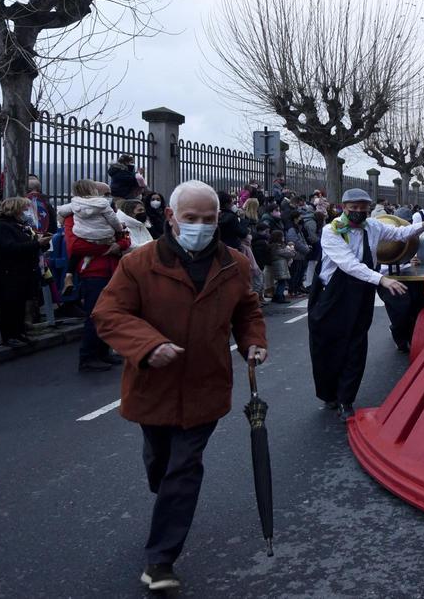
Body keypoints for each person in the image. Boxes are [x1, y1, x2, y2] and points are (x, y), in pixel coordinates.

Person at [92, 180, 267, 591]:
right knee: (160, 464)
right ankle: (165, 493)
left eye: (209, 219)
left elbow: (247, 310)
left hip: (206, 384)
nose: (202, 226)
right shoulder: (138, 264)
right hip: (154, 385)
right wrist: (149, 346)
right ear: (171, 218)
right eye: (192, 219)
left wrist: (254, 342)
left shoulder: (234, 265)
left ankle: (161, 561)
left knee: (184, 469)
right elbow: (109, 314)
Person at [308, 188, 424, 420]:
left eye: (362, 208)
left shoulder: (373, 226)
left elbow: (400, 234)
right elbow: (349, 264)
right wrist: (382, 279)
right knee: (327, 344)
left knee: (355, 345)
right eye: (353, 208)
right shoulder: (331, 231)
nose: (358, 212)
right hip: (332, 295)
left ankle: (347, 399)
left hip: (361, 293)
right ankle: (329, 393)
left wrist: (423, 226)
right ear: (344, 208)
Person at [65, 181, 131, 373]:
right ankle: (88, 356)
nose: (107, 197)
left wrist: (119, 245)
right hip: (94, 271)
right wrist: (108, 245)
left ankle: (103, 351)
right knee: (95, 314)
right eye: (104, 193)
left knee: (109, 314)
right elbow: (75, 246)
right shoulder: (73, 216)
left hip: (112, 268)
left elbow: (125, 237)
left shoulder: (108, 216)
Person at [0, 197, 49, 348]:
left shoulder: (18, 225)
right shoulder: (1, 226)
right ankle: (9, 336)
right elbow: (10, 248)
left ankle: (19, 332)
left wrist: (38, 243)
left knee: (19, 304)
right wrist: (36, 244)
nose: (26, 212)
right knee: (8, 305)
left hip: (21, 271)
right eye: (23, 209)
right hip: (7, 273)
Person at [59, 180, 124, 245]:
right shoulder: (102, 204)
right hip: (104, 236)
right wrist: (120, 229)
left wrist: (61, 216)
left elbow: (62, 211)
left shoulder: (75, 204)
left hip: (82, 236)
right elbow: (113, 220)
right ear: (93, 191)